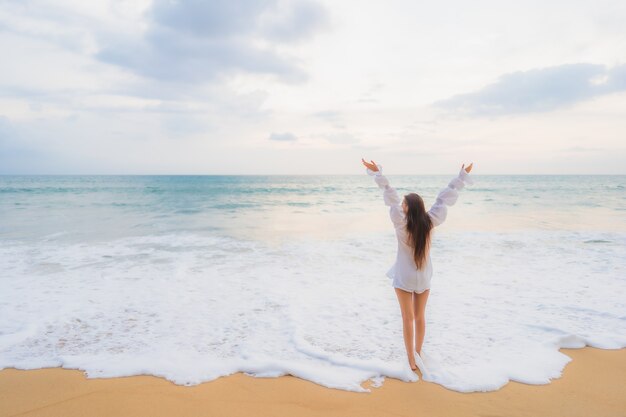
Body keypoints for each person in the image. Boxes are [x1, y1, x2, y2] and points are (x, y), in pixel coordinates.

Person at [361, 158, 474, 373]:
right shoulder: (430, 222)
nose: (401, 207)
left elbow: (390, 196)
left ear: (406, 208)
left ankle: (410, 360)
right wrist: (461, 176)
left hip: (404, 277)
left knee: (407, 318)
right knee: (420, 317)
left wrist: (378, 173)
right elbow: (444, 200)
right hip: (423, 277)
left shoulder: (400, 223)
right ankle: (419, 353)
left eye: (404, 205)